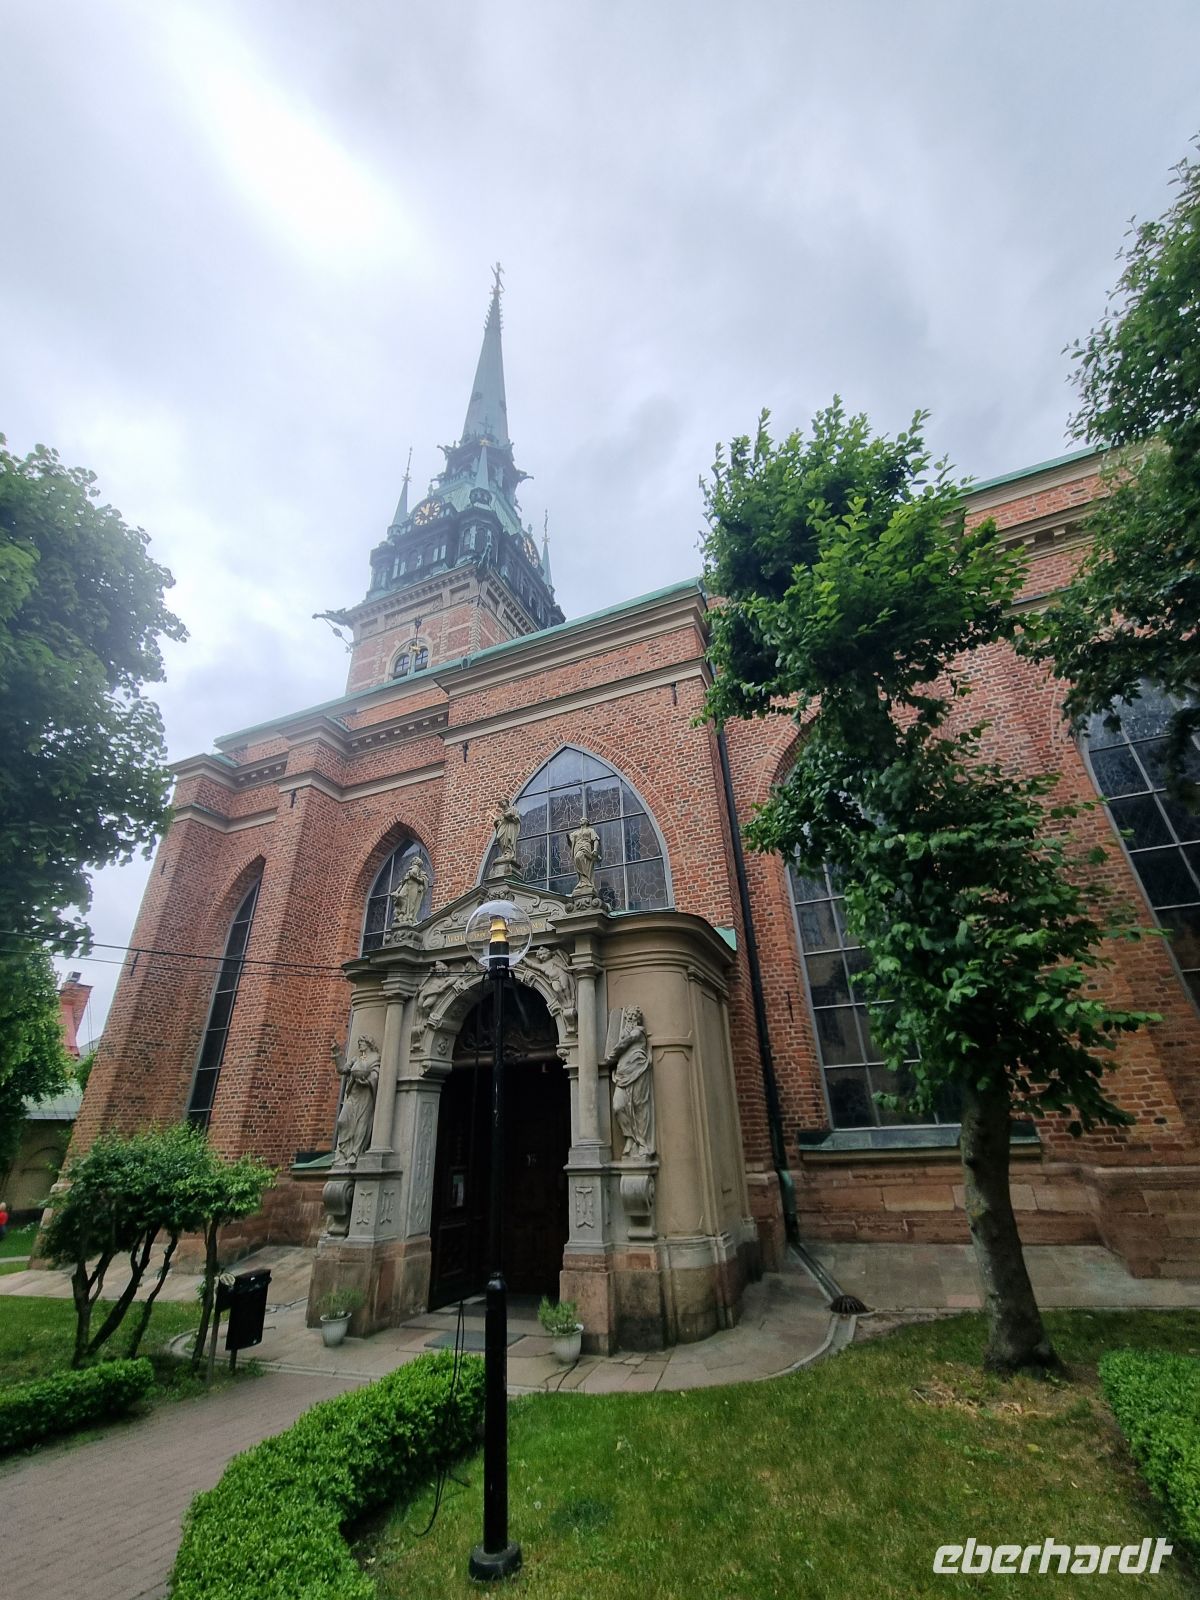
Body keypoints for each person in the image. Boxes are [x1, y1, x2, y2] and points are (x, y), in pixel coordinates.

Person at [332, 1036, 381, 1166]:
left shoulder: (375, 1057)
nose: (359, 1045)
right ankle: (344, 1152)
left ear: (369, 1043)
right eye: (359, 1043)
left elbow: (375, 1075)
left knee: (361, 1123)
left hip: (365, 1095)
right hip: (353, 1094)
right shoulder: (357, 1059)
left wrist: (368, 1081)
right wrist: (336, 1053)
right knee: (342, 1120)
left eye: (362, 1043)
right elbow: (342, 1069)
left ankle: (355, 1153)